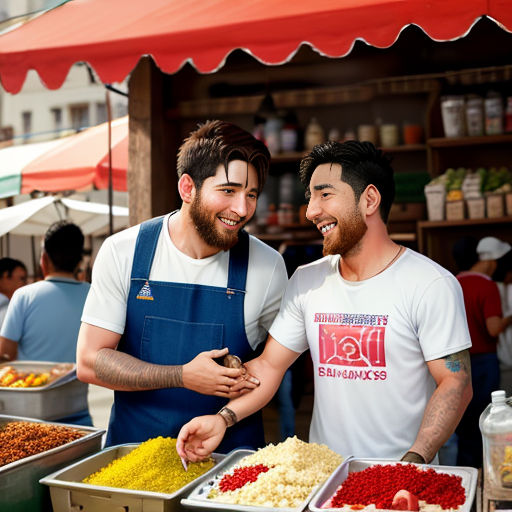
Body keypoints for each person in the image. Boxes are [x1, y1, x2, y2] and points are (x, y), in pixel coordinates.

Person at [177, 140, 473, 464]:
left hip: (403, 482)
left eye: (325, 194)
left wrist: (414, 460)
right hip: (326, 480)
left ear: (369, 199)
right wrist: (223, 418)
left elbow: (455, 382)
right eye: (310, 197)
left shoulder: (430, 284)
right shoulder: (308, 280)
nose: (311, 211)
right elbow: (268, 366)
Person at [76, 120, 288, 451]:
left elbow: (271, 366)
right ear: (187, 188)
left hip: (229, 463)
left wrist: (227, 414)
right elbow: (89, 361)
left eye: (251, 194)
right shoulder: (124, 252)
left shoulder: (268, 266)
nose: (242, 209)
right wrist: (181, 375)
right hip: (135, 458)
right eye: (228, 191)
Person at [0, 221, 92, 425]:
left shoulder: (24, 295)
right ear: (78, 261)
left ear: (44, 259)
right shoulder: (92, 294)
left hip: (28, 418)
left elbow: (5, 352)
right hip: (78, 413)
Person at [455, 236, 512, 468]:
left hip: (457, 361)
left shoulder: (453, 281)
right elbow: (494, 327)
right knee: (487, 421)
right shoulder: (487, 286)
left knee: (463, 423)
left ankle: (465, 472)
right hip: (483, 364)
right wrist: (510, 317)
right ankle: (486, 472)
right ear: (495, 260)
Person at [0, 258, 27, 331]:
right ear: (5, 276)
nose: (25, 284)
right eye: (22, 278)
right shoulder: (9, 310)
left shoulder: (14, 306)